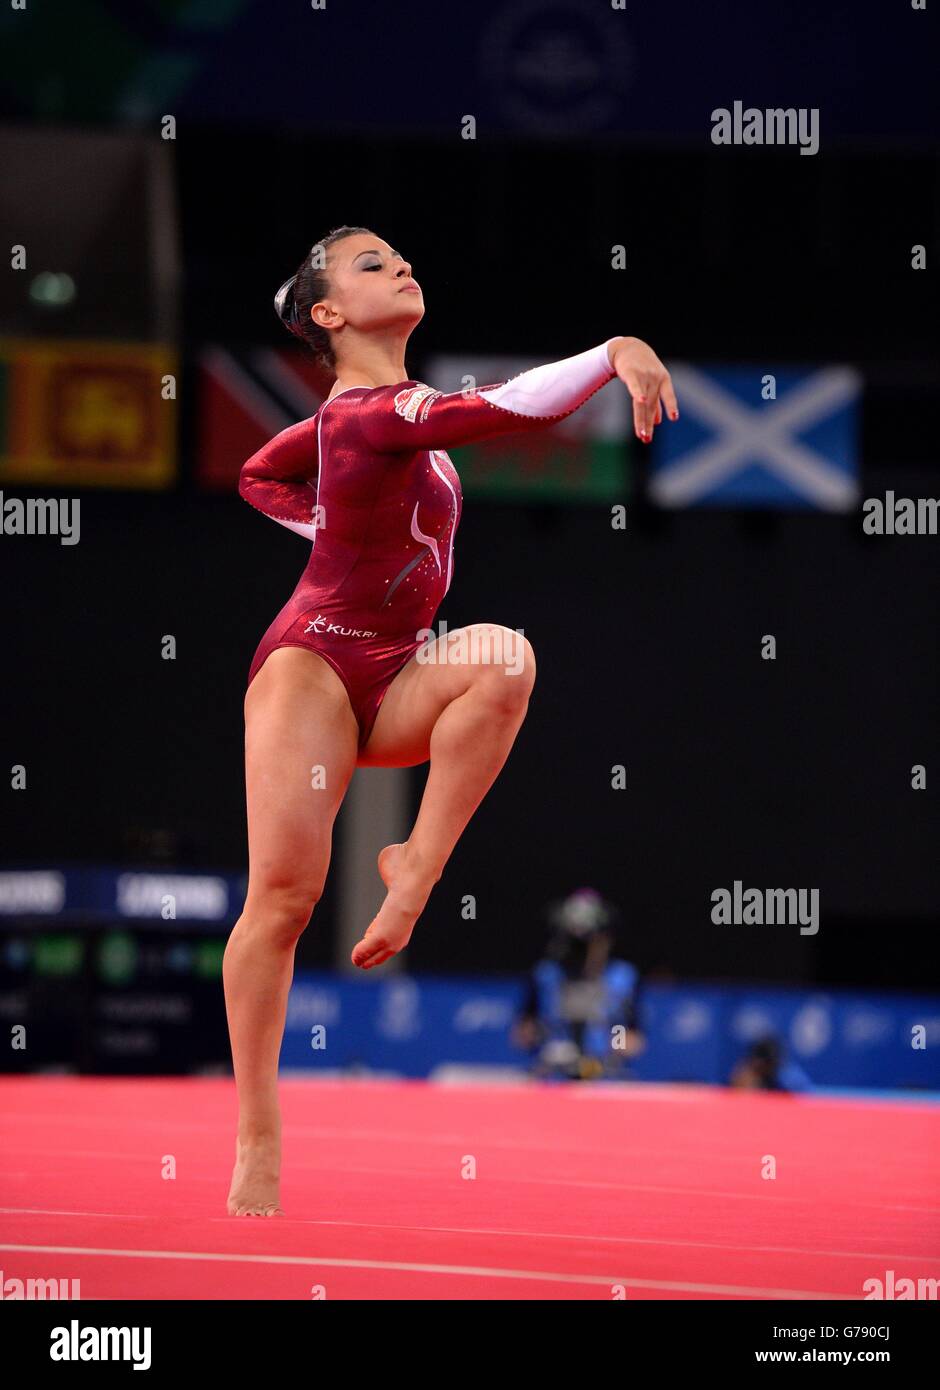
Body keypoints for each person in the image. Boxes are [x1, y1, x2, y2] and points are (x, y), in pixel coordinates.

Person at [223, 225, 678, 1214]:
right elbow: (499, 408)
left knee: (504, 656)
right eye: (372, 264)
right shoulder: (373, 412)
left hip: (395, 671)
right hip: (310, 667)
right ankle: (259, 1130)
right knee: (285, 898)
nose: (403, 266)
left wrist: (332, 522)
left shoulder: (361, 419)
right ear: (330, 313)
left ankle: (414, 869)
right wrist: (612, 353)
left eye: (402, 256)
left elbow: (261, 467)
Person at [513, 889, 644, 1080]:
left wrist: (613, 1046)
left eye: (587, 940)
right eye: (572, 940)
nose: (579, 948)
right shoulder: (546, 974)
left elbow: (634, 1037)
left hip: (603, 1075)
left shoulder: (622, 977)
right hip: (553, 1076)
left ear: (605, 938)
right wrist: (541, 1035)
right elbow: (523, 1032)